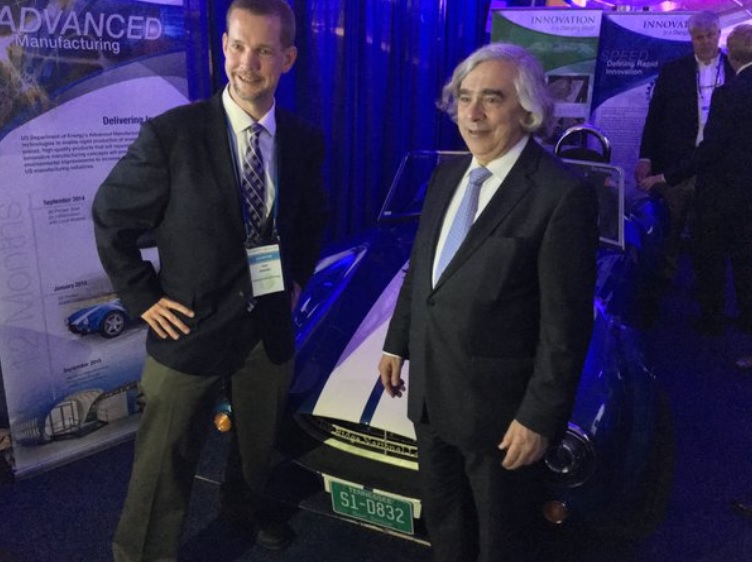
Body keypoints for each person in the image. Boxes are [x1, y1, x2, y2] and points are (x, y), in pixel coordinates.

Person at [92, 0, 328, 560]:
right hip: (188, 327)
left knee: (255, 446)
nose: (249, 63)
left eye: (265, 50)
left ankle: (243, 513)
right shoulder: (172, 135)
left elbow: (313, 216)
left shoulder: (303, 140)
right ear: (224, 47)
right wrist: (142, 295)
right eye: (238, 46)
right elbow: (111, 216)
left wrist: (295, 278)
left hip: (267, 326)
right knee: (163, 461)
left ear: (287, 58)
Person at [377, 43, 599, 562]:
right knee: (446, 528)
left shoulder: (561, 195)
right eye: (464, 98)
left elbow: (565, 326)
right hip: (431, 400)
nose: (472, 114)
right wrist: (396, 342)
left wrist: (540, 417)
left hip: (500, 419)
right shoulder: (447, 175)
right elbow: (423, 273)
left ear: (527, 109)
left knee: (501, 543)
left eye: (491, 99)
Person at [641, 24, 752, 337]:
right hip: (688, 162)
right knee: (674, 236)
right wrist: (646, 157)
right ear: (690, 38)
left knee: (710, 249)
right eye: (698, 36)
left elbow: (715, 146)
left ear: (721, 38)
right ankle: (664, 297)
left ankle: (712, 315)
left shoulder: (731, 87)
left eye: (710, 36)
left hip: (715, 177)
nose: (704, 42)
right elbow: (656, 116)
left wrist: (665, 176)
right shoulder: (673, 71)